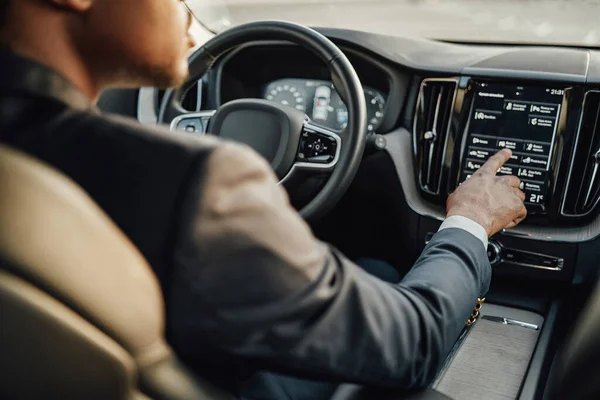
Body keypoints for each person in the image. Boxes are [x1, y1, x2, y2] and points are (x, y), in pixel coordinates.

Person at [0, 0, 527, 399]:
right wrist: (470, 221)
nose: (185, 9)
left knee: (371, 267)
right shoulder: (201, 179)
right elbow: (414, 342)